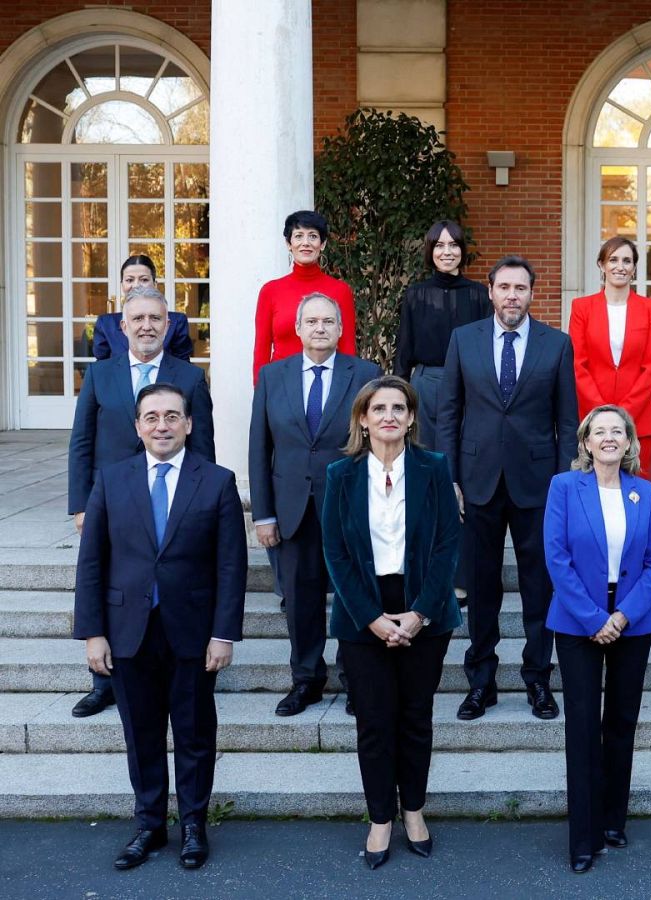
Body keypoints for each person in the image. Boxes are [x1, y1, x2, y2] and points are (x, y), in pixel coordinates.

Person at [73, 382, 246, 871]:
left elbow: (230, 567)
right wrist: (93, 632)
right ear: (138, 427)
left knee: (194, 735)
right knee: (141, 734)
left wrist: (223, 633)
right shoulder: (111, 479)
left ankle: (193, 824)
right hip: (127, 631)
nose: (162, 425)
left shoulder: (215, 481)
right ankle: (149, 825)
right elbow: (92, 563)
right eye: (152, 417)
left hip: (193, 633)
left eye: (172, 416)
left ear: (189, 424)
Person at [322, 375, 463, 870]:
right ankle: (380, 816)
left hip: (423, 607)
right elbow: (334, 552)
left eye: (398, 408)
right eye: (378, 408)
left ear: (410, 418)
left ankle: (414, 811)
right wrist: (371, 618)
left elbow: (448, 544)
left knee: (415, 719)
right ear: (363, 418)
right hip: (363, 612)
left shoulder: (433, 467)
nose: (389, 416)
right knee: (374, 723)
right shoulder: (340, 474)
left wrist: (420, 612)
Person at [437, 255, 578, 721]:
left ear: (532, 294)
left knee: (540, 586)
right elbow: (449, 413)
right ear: (491, 292)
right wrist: (450, 476)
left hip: (539, 485)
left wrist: (563, 483)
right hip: (476, 483)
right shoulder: (464, 340)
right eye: (504, 288)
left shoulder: (556, 345)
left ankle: (538, 678)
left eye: (521, 288)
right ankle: (481, 681)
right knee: (480, 587)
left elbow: (565, 420)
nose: (512, 296)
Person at [67, 286, 216, 719]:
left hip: (171, 497)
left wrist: (203, 503)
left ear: (167, 326)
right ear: (122, 326)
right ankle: (104, 683)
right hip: (111, 501)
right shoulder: (100, 375)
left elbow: (202, 445)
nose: (147, 326)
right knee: (111, 582)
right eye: (139, 319)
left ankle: (184, 664)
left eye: (156, 319)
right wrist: (81, 504)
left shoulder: (188, 377)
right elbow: (82, 443)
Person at [544, 406, 651, 873]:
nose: (610, 438)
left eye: (618, 431)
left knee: (620, 722)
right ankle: (584, 836)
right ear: (587, 442)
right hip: (577, 622)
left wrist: (622, 615)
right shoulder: (564, 487)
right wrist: (597, 618)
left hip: (631, 621)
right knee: (581, 727)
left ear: (630, 441)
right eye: (601, 431)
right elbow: (556, 558)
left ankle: (614, 819)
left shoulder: (646, 493)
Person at [250, 294, 381, 716]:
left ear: (341, 329)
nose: (320, 327)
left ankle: (356, 679)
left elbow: (379, 442)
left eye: (328, 321)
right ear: (298, 328)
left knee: (351, 595)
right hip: (293, 509)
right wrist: (263, 514)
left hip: (348, 507)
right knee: (300, 599)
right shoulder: (273, 376)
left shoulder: (365, 373)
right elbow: (259, 448)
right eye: (311, 321)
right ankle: (306, 680)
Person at [569, 236, 651, 474]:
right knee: (593, 491)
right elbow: (577, 364)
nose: (620, 266)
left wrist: (623, 414)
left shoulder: (650, 308)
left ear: (634, 269)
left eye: (627, 261)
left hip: (639, 420)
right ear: (601, 265)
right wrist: (603, 415)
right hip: (592, 419)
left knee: (636, 492)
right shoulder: (582, 307)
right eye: (613, 259)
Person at [393, 220, 492, 449]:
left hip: (470, 384)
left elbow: (487, 349)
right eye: (439, 245)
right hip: (426, 384)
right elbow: (404, 349)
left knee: (466, 449)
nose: (447, 252)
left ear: (462, 250)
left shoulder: (479, 295)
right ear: (431, 250)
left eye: (453, 245)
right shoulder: (416, 294)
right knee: (423, 451)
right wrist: (398, 394)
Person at [253, 210, 358, 382]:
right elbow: (261, 353)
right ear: (289, 243)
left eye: (313, 236)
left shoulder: (340, 290)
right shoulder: (270, 291)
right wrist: (261, 396)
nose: (306, 243)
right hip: (281, 384)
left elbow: (347, 349)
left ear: (322, 244)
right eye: (299, 236)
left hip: (326, 384)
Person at [91, 255, 194, 361]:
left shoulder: (176, 322)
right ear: (122, 285)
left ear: (155, 284)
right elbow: (101, 369)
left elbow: (184, 368)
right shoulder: (106, 324)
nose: (136, 285)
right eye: (129, 280)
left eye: (144, 280)